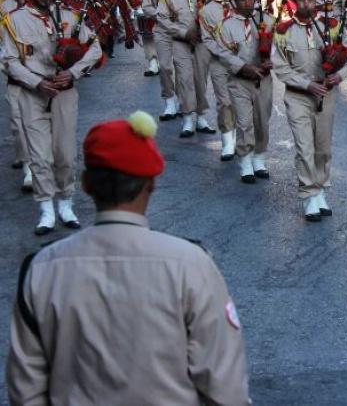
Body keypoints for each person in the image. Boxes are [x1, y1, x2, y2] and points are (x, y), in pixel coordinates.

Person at [6, 110, 251, 404]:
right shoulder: (192, 264)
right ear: (152, 184)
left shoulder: (42, 269)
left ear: (86, 185)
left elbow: (26, 390)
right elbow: (226, 388)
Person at [0, 0, 103, 234]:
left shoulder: (69, 15)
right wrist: (37, 82)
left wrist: (72, 73)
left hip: (64, 92)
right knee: (40, 155)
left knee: (65, 154)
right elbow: (10, 61)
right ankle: (46, 209)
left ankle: (66, 204)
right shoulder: (14, 20)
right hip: (32, 93)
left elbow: (94, 49)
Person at [271, 0, 347, 221]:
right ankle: (309, 193)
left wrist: (338, 76)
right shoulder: (283, 32)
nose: (307, 3)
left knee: (323, 147)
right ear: (294, 1)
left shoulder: (331, 27)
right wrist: (305, 84)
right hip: (298, 95)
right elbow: (280, 68)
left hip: (326, 95)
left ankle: (320, 188)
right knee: (304, 147)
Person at [208, 0, 274, 183]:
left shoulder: (267, 21)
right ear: (234, 2)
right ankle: (245, 162)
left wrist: (271, 60)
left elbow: (281, 47)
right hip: (239, 80)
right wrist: (244, 67)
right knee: (244, 123)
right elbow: (223, 52)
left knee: (262, 122)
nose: (248, 3)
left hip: (263, 80)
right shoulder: (226, 25)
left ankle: (259, 158)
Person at [155, 0, 214, 136]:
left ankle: (201, 117)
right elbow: (162, 19)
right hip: (180, 41)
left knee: (201, 79)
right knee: (184, 78)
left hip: (201, 41)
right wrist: (183, 33)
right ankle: (188, 118)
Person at [199, 0, 238, 161]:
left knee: (240, 101)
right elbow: (207, 39)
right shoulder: (207, 10)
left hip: (241, 62)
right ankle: (227, 140)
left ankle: (239, 136)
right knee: (224, 102)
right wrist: (224, 53)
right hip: (219, 61)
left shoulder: (240, 5)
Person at [2, 0, 33, 192]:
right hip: (15, 78)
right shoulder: (7, 20)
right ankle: (29, 168)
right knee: (18, 122)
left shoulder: (47, 16)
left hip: (43, 81)